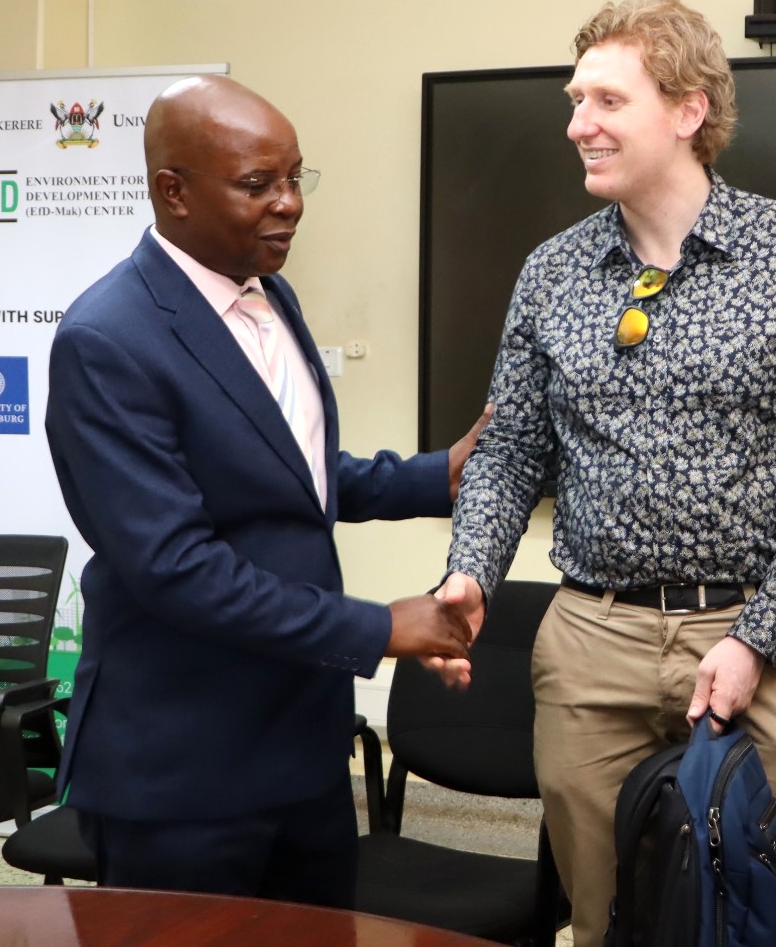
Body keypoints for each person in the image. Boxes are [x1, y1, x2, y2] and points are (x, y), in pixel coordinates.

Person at [433, 0, 776, 946]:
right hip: (591, 641)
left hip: (757, 640)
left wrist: (757, 638)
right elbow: (509, 449)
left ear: (689, 111)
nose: (578, 125)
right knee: (601, 923)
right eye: (575, 101)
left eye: (607, 101)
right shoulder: (551, 272)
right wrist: (470, 569)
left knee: (746, 923)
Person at [45, 74, 485, 906]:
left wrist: (437, 477)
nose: (290, 204)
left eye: (295, 177)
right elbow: (176, 567)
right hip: (183, 771)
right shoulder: (107, 340)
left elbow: (287, 473)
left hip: (302, 748)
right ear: (173, 191)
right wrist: (380, 628)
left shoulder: (267, 293)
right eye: (258, 184)